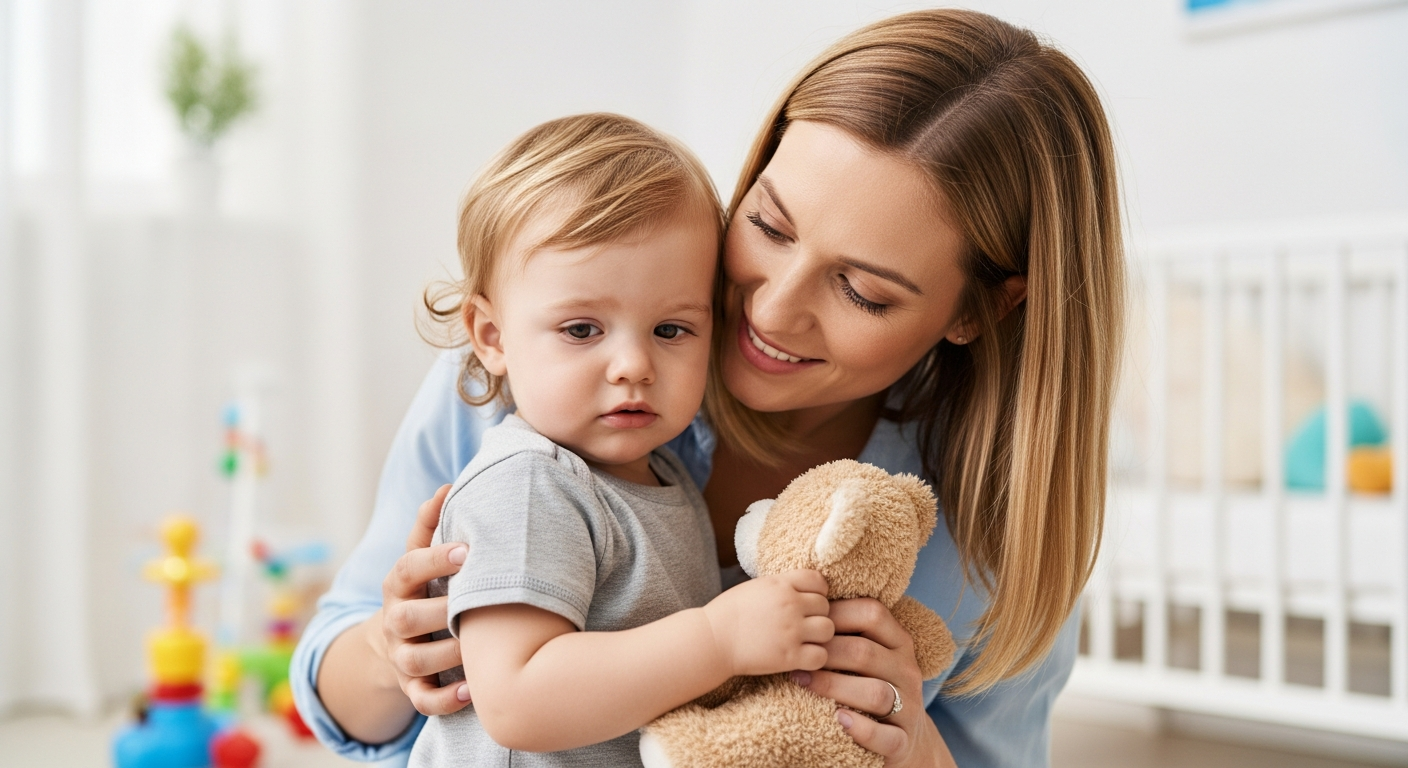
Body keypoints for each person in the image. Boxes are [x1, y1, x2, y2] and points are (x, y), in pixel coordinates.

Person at [292, 9, 1124, 768]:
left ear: (980, 310)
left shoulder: (987, 533)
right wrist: (386, 651)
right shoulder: (519, 382)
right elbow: (344, 699)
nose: (772, 307)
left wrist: (914, 749)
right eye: (768, 224)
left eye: (862, 291)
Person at [398, 112, 835, 767]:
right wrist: (718, 639)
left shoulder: (661, 475)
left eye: (670, 330)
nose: (634, 365)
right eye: (581, 330)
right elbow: (518, 699)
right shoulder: (528, 483)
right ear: (491, 337)